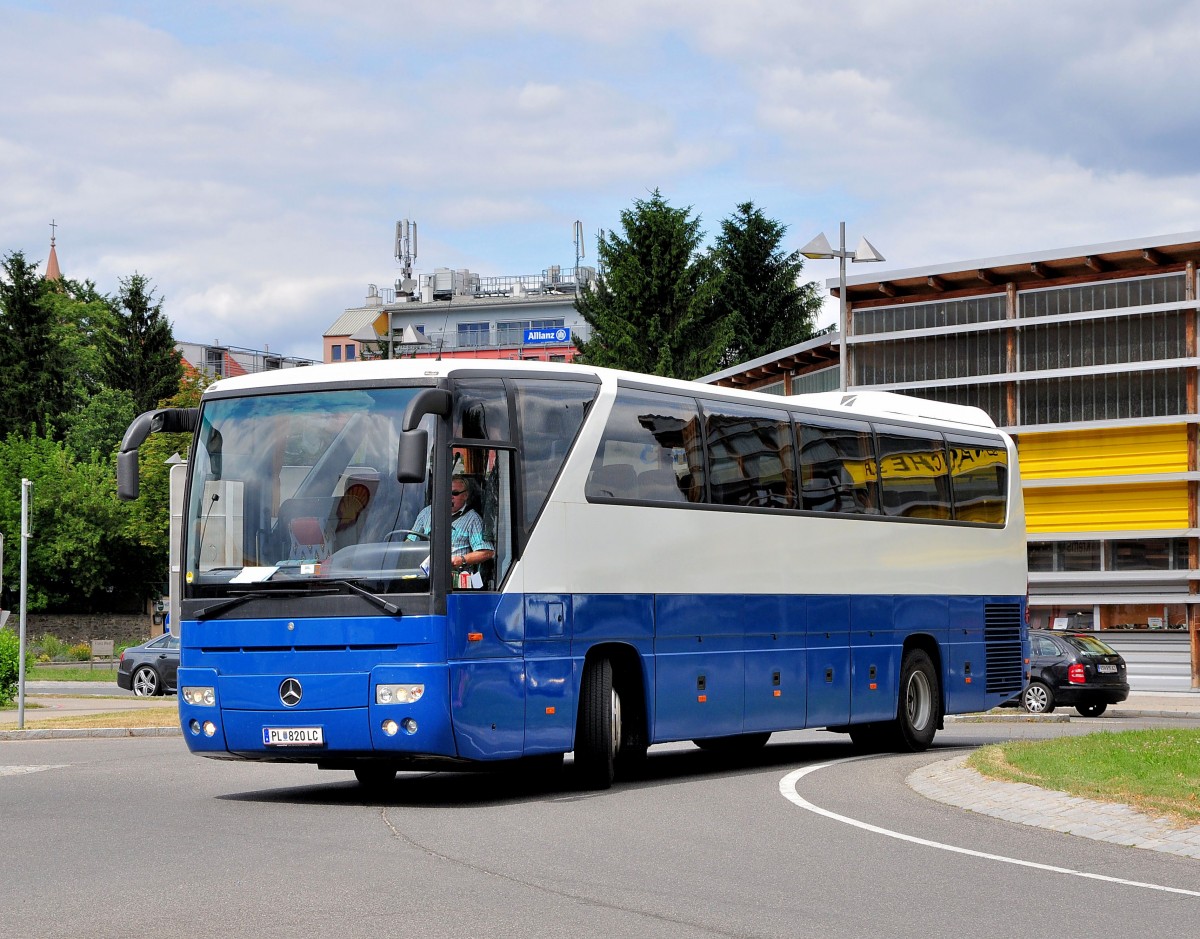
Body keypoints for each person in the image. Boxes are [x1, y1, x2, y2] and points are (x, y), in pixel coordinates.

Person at [407, 475, 495, 573]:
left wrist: (462, 560)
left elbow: (487, 552)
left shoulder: (473, 519)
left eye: (455, 493)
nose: (450, 497)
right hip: (423, 573)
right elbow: (410, 542)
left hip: (453, 577)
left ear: (465, 495)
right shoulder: (426, 512)